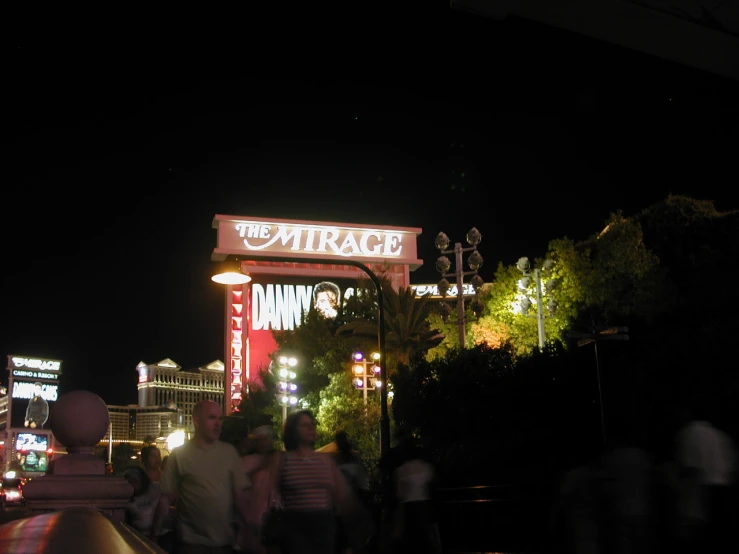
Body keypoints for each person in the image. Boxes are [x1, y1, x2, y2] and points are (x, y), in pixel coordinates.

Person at [160, 400, 252, 554]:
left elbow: (240, 495)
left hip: (224, 544)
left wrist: (249, 528)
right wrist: (155, 533)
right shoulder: (180, 455)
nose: (218, 424)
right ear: (196, 420)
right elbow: (166, 497)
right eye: (212, 418)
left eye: (220, 418)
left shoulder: (229, 453)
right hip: (190, 545)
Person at [275, 409, 350, 554]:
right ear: (293, 430)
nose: (311, 428)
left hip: (324, 523)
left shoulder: (326, 460)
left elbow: (341, 495)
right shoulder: (283, 460)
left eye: (312, 424)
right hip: (295, 525)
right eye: (304, 425)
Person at [236, 425, 278, 554]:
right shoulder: (245, 462)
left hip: (272, 522)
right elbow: (239, 493)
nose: (264, 442)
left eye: (266, 439)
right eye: (261, 439)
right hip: (251, 524)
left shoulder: (277, 460)